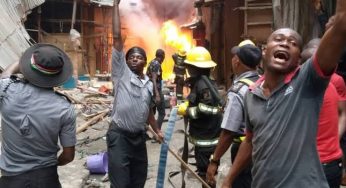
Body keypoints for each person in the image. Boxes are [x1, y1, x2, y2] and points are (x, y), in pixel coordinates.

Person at [221, 0, 346, 187]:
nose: (285, 43)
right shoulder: (251, 93)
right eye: (278, 39)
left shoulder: (306, 82)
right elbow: (251, 140)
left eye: (293, 43)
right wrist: (229, 179)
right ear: (264, 51)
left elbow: (342, 26)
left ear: (298, 58)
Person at [0, 43, 76, 188]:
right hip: (47, 179)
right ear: (59, 75)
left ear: (28, 68)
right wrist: (49, 166)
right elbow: (68, 156)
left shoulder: (7, 90)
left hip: (11, 180)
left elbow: (5, 76)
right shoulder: (65, 108)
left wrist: (22, 61)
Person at [107, 1, 164, 188]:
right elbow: (116, 37)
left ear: (145, 62)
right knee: (121, 183)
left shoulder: (148, 84)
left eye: (138, 57)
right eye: (131, 57)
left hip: (139, 138)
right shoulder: (121, 74)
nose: (134, 59)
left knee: (138, 181)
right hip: (120, 136)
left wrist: (157, 130)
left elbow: (147, 110)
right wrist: (115, 5)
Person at [206, 40, 262, 187]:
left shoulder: (238, 90)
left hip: (243, 151)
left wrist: (215, 160)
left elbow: (229, 131)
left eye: (234, 56)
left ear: (237, 61)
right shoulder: (263, 81)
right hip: (263, 149)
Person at [301, 39, 346, 188]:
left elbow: (343, 112)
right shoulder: (330, 87)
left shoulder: (334, 84)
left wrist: (335, 137)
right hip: (324, 162)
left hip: (319, 163)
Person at [178, 46, 222, 187]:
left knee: (206, 174)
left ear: (195, 67)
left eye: (190, 66)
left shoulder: (203, 84)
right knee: (206, 172)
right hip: (207, 135)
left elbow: (206, 108)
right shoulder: (206, 81)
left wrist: (188, 111)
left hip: (206, 139)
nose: (188, 69)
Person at [147, 49, 166, 131]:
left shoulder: (151, 62)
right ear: (162, 56)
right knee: (162, 112)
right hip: (155, 90)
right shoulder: (157, 64)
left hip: (149, 89)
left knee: (151, 112)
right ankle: (157, 133)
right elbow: (154, 79)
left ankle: (143, 133)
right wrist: (157, 94)